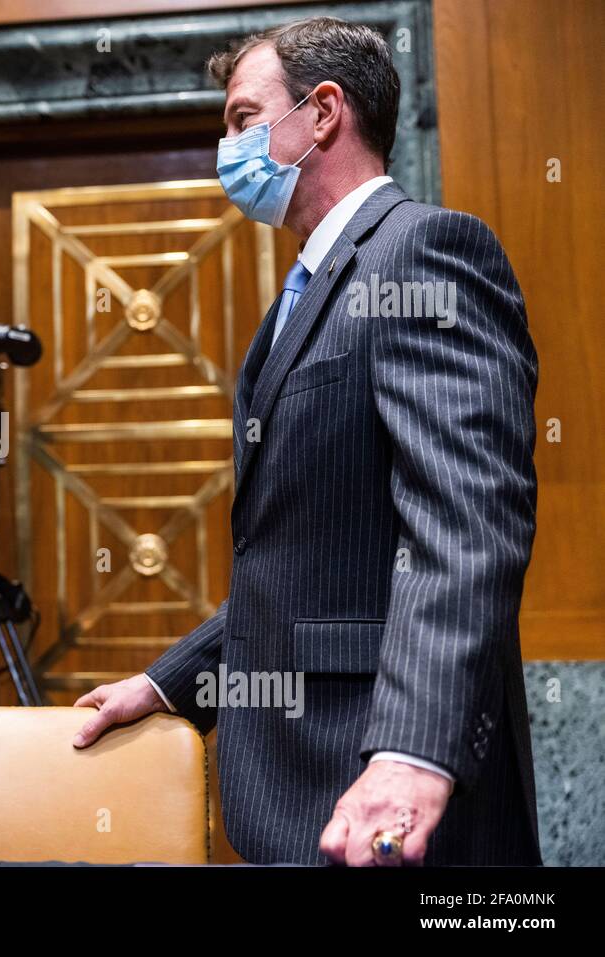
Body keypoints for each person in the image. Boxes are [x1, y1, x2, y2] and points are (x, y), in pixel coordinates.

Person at [73, 17, 540, 866]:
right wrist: (165, 681)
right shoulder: (310, 286)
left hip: (381, 790)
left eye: (242, 118)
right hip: (302, 791)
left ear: (323, 113)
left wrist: (410, 753)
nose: (225, 144)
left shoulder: (422, 253)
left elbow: (465, 526)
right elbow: (311, 558)